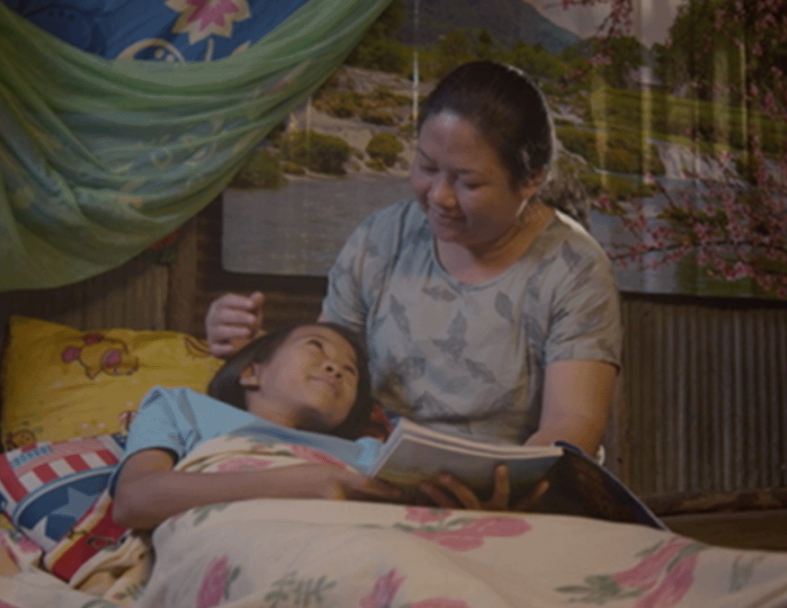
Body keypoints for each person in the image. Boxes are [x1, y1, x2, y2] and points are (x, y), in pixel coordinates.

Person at [206, 61, 621, 469]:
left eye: (468, 182)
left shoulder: (574, 269)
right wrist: (253, 350)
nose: (439, 196)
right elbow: (332, 381)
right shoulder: (381, 239)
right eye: (426, 167)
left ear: (531, 180)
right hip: (374, 474)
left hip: (515, 486)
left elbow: (573, 421)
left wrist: (505, 489)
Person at [110, 321, 402, 531]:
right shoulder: (183, 407)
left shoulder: (368, 453)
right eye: (315, 347)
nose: (335, 368)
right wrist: (303, 483)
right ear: (252, 372)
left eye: (349, 370)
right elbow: (133, 500)